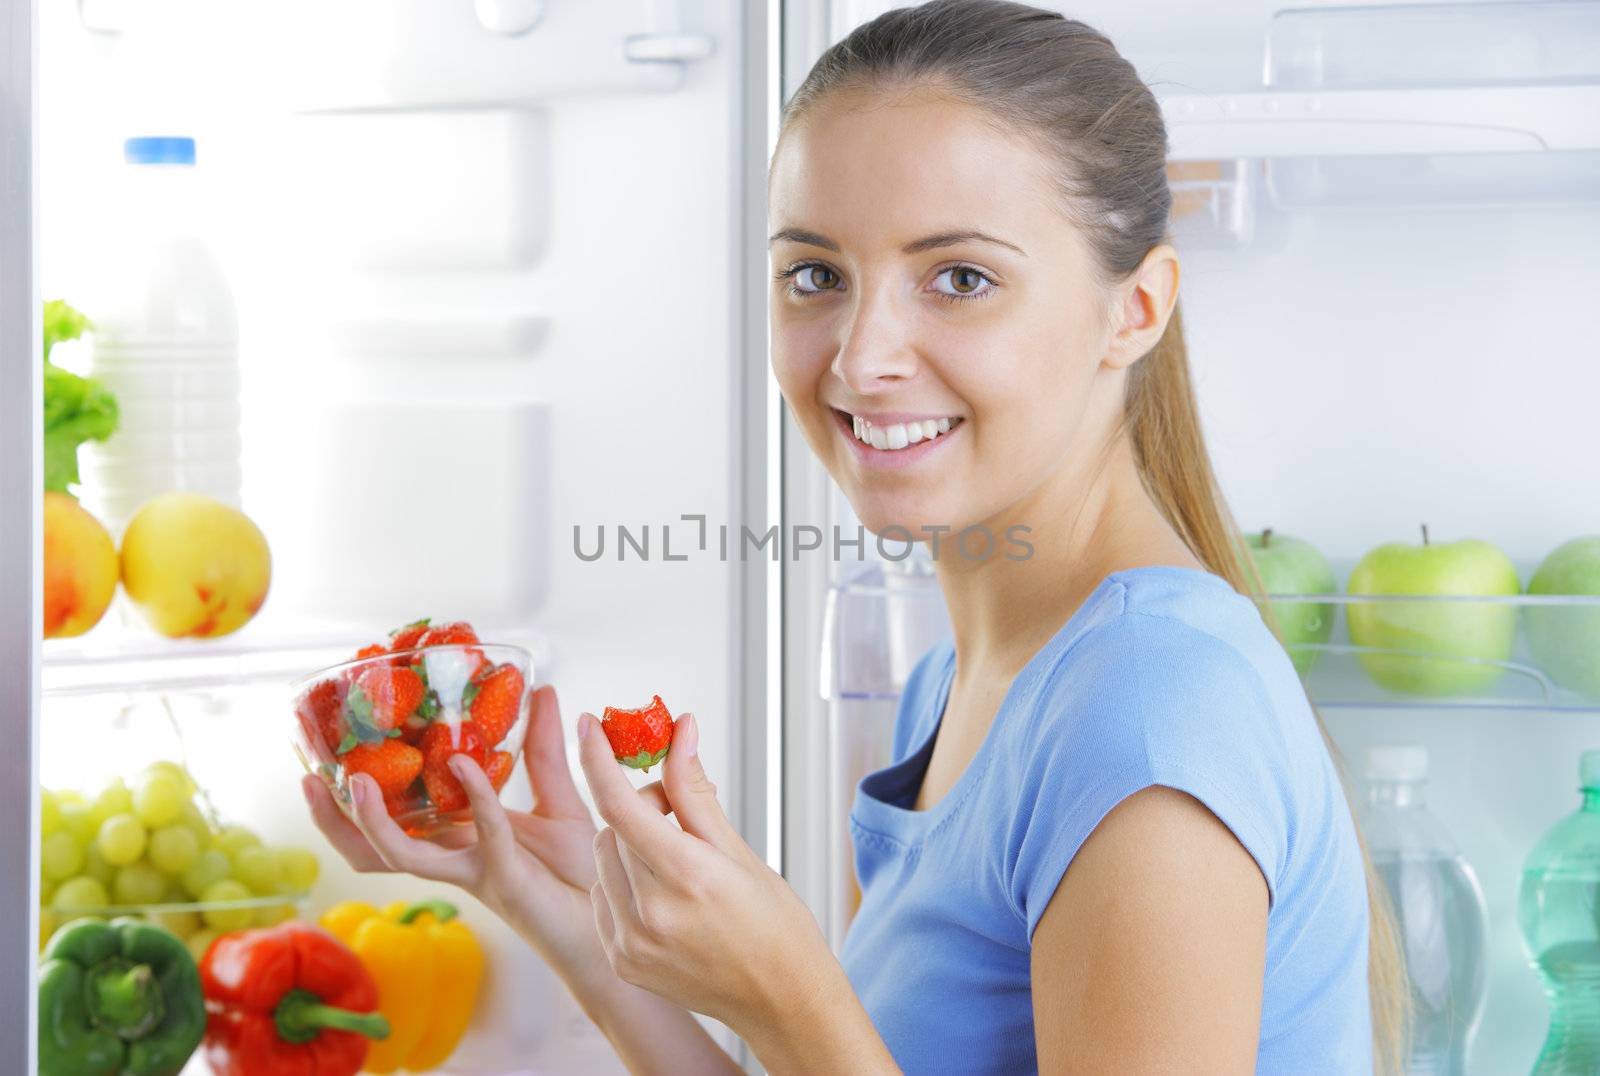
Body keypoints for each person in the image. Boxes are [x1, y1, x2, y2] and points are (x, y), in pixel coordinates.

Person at [304, 2, 1404, 1072]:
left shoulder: (1153, 708)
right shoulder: (953, 684)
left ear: (1137, 307)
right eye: (815, 274)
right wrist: (576, 920)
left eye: (960, 278)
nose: (862, 356)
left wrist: (789, 993)